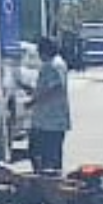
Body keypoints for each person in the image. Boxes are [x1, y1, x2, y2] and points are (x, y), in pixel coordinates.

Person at [26, 37, 72, 174]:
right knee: (45, 155)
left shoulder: (53, 65)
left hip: (50, 121)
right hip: (47, 120)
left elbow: (56, 88)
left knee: (45, 156)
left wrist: (34, 101)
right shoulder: (56, 63)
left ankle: (49, 187)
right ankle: (46, 184)